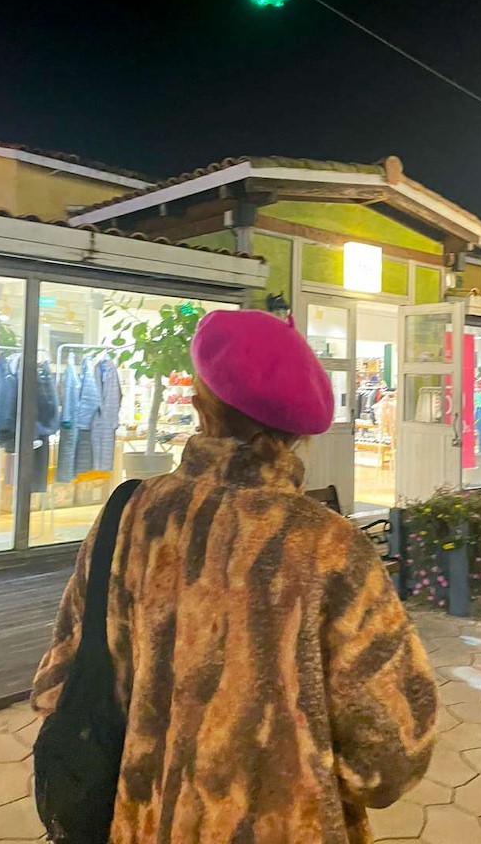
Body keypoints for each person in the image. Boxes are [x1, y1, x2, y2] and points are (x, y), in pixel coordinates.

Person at [32, 309, 438, 844]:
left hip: (141, 819)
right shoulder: (330, 548)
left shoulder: (131, 516)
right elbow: (391, 754)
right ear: (298, 434)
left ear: (200, 406)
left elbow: (59, 680)